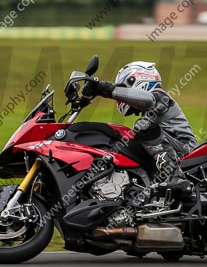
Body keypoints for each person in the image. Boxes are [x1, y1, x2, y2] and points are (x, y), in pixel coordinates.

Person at [82, 61, 198, 192]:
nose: (122, 94)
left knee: (143, 127)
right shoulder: (149, 112)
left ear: (137, 79)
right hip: (172, 149)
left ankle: (175, 177)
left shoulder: (160, 96)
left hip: (185, 150)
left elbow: (148, 100)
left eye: (124, 88)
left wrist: (107, 89)